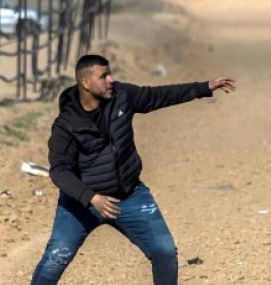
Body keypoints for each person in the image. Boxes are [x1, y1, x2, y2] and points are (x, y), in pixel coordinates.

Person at [30, 54, 236, 285]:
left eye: (110, 73)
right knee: (54, 261)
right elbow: (59, 170)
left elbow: (159, 95)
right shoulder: (66, 124)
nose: (111, 80)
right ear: (86, 83)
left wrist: (205, 87)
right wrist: (91, 198)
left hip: (129, 196)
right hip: (81, 203)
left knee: (165, 252)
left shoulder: (122, 96)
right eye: (104, 76)